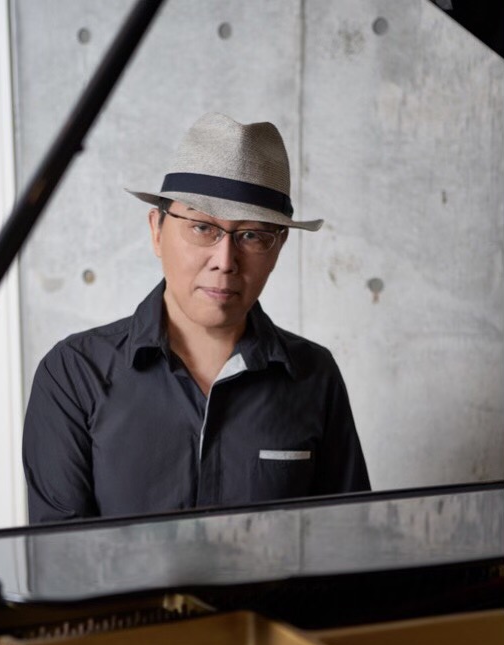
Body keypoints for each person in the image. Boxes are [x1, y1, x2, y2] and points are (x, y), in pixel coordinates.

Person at [23, 112, 370, 523]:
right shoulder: (74, 373)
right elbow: (60, 553)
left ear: (278, 247)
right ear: (157, 230)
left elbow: (344, 542)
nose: (225, 261)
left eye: (253, 235)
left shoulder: (314, 375)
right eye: (203, 228)